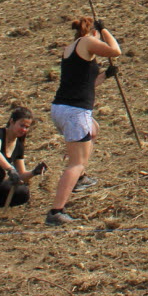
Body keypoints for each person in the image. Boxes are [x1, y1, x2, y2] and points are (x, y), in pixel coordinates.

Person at [46, 16, 121, 228]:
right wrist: (106, 31)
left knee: (93, 129)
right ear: (93, 32)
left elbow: (85, 84)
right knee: (76, 163)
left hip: (65, 108)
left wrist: (106, 75)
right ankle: (56, 211)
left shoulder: (71, 48)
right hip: (74, 112)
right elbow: (115, 51)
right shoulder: (87, 42)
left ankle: (80, 179)